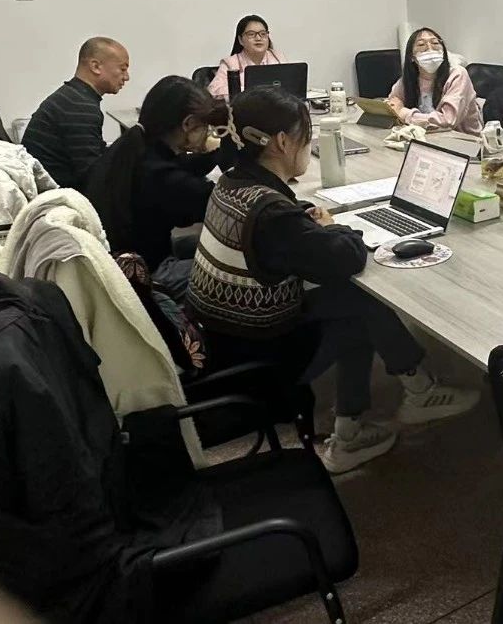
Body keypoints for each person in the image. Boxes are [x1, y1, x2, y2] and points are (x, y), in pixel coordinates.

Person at [187, 86, 479, 474]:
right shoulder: (273, 215)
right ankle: (413, 393)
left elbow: (286, 233)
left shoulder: (232, 182)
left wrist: (307, 221)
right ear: (283, 141)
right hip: (256, 354)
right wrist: (335, 228)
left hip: (219, 336)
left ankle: (359, 427)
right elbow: (346, 258)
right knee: (358, 306)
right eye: (306, 134)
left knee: (351, 306)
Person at [85, 75, 226, 276]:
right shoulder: (159, 175)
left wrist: (218, 153)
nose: (208, 133)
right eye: (206, 127)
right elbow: (221, 203)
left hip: (128, 257)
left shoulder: (136, 144)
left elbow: (182, 166)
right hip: (151, 272)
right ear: (189, 123)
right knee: (239, 268)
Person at [22, 37, 130, 191]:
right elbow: (93, 178)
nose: (126, 77)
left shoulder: (71, 97)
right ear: (96, 66)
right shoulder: (81, 108)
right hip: (60, 196)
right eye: (122, 69)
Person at [387, 27, 482, 134]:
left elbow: (448, 121)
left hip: (464, 140)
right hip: (426, 138)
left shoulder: (458, 74)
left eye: (435, 43)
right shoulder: (408, 80)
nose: (430, 48)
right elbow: (392, 106)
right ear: (412, 57)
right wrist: (394, 108)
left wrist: (404, 114)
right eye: (421, 45)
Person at [208, 15, 286, 99]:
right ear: (240, 40)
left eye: (263, 34)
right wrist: (248, 90)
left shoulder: (277, 58)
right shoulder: (230, 63)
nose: (258, 38)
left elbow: (289, 85)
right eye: (251, 34)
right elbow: (214, 90)